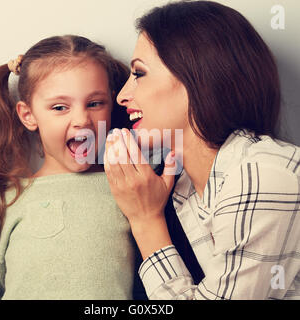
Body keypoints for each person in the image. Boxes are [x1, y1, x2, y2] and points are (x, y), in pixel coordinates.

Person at [104, 1, 300, 300]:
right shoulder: (179, 187)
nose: (122, 96)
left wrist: (145, 221)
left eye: (139, 74)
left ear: (199, 77)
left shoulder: (264, 173)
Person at [0, 35, 136, 299]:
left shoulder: (130, 185)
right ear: (28, 115)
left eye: (94, 103)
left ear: (111, 104)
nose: (81, 119)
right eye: (59, 107)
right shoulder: (8, 201)